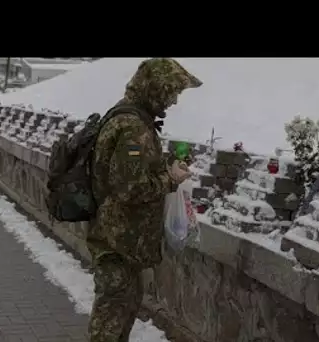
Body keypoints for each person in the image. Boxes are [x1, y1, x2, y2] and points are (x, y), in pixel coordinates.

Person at [87, 58, 202, 341]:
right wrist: (171, 179)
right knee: (110, 323)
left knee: (118, 317)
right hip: (118, 242)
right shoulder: (132, 127)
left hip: (122, 242)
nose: (174, 101)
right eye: (171, 92)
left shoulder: (131, 118)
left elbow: (128, 171)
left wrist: (166, 165)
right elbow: (130, 188)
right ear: (156, 89)